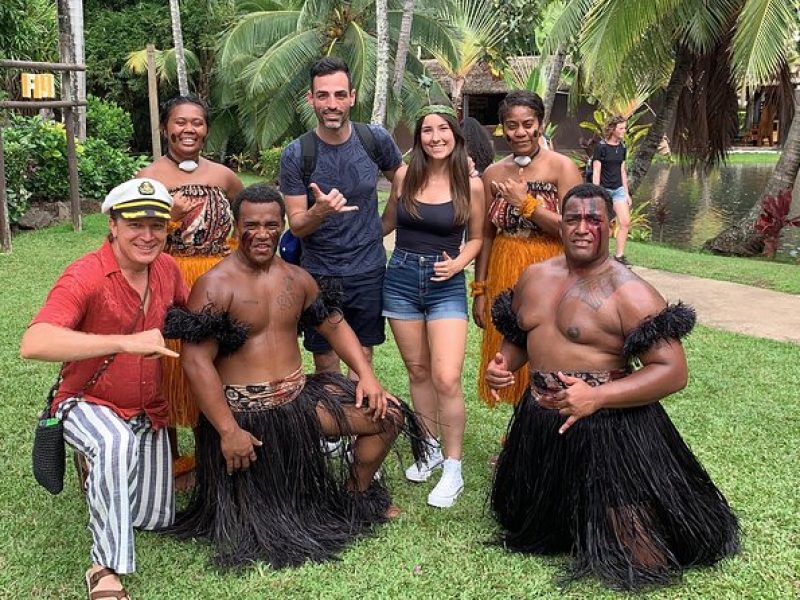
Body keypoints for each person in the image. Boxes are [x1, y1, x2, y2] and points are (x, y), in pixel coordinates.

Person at [485, 183, 739, 590]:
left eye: (593, 220)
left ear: (610, 225)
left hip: (610, 430)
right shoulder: (534, 277)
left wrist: (597, 396)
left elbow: (672, 371)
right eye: (573, 219)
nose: (582, 228)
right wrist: (504, 365)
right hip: (542, 423)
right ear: (560, 223)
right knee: (530, 524)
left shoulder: (631, 292)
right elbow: (520, 336)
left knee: (642, 555)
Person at [164, 184, 427, 569]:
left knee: (388, 415)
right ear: (237, 228)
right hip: (245, 416)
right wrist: (227, 431)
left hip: (297, 402)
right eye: (251, 225)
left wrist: (366, 375)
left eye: (272, 224)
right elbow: (195, 363)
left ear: (283, 225)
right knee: (259, 520)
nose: (262, 233)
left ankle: (356, 495)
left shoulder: (297, 279)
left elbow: (333, 325)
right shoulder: (215, 285)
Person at [20, 178, 188, 600]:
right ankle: (104, 568)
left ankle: (99, 474)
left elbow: (194, 315)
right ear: (112, 224)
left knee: (154, 518)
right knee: (113, 443)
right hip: (86, 401)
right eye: (135, 224)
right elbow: (34, 342)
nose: (148, 235)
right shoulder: (86, 273)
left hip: (148, 409)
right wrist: (123, 342)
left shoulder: (167, 268)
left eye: (157, 224)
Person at [137, 95, 244, 484]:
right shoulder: (146, 179)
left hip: (216, 281)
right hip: (168, 280)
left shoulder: (224, 176)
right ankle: (167, 463)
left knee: (214, 365)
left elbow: (247, 224)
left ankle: (209, 457)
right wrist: (169, 219)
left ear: (206, 129)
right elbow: (130, 243)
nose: (188, 129)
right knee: (167, 371)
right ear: (166, 128)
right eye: (180, 122)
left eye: (197, 122)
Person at [381, 105, 484, 508]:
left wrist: (460, 261)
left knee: (446, 377)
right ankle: (429, 447)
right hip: (402, 277)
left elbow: (477, 237)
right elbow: (386, 222)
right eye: (427, 130)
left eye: (443, 129)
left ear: (456, 136)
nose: (435, 136)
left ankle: (453, 467)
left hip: (446, 283)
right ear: (418, 138)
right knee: (418, 371)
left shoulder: (470, 184)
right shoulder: (405, 177)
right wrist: (340, 231)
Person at [279, 57, 403, 376]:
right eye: (323, 95)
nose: (331, 104)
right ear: (311, 99)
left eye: (339, 95)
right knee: (325, 361)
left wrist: (384, 224)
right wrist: (319, 211)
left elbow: (402, 178)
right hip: (319, 272)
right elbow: (297, 224)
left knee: (362, 355)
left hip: (368, 269)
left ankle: (361, 421)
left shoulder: (374, 139)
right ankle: (336, 425)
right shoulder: (297, 153)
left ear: (352, 96)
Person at [472, 90, 582, 406]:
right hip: (505, 271)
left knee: (546, 351)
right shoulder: (494, 173)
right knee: (508, 354)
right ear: (502, 128)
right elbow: (487, 236)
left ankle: (549, 424)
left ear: (540, 124)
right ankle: (518, 432)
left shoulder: (561, 168)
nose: (519, 132)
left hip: (550, 271)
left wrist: (527, 204)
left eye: (527, 124)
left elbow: (574, 229)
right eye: (511, 125)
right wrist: (481, 290)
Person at [592, 115, 632, 266]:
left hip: (618, 190)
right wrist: (596, 192)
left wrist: (626, 193)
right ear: (613, 129)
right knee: (603, 225)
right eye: (621, 128)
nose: (624, 131)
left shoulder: (622, 147)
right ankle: (599, 255)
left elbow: (622, 171)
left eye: (624, 128)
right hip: (604, 190)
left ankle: (619, 256)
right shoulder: (601, 147)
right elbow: (596, 171)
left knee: (625, 222)